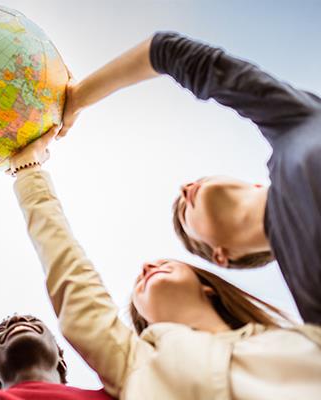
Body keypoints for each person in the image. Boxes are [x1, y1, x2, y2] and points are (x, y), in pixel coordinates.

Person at [7, 127, 321, 399]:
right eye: (136, 290)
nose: (146, 268)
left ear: (209, 286)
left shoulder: (300, 336)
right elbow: (71, 272)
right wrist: (29, 171)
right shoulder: (134, 363)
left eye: (164, 262)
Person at [58, 31, 321, 324]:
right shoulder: (310, 298)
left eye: (197, 182)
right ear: (221, 256)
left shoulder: (291, 122)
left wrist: (77, 98)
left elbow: (166, 51)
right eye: (184, 214)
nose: (185, 190)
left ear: (256, 183)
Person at [0, 314, 112, 399]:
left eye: (34, 321)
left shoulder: (122, 393)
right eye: (0, 330)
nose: (16, 319)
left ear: (61, 362)